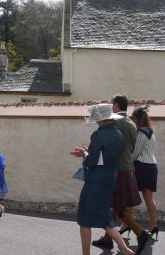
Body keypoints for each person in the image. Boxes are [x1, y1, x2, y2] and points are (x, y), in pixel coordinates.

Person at [70, 103, 135, 255]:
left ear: (100, 119)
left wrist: (85, 155)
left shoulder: (98, 134)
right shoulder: (118, 134)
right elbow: (105, 157)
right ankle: (125, 249)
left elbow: (92, 161)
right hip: (110, 179)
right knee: (104, 217)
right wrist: (89, 152)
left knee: (84, 219)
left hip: (95, 181)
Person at [92, 95, 151, 254]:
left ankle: (140, 233)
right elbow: (131, 148)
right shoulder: (132, 123)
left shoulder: (114, 122)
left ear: (116, 105)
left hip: (116, 168)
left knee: (114, 207)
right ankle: (107, 240)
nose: (111, 106)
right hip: (128, 167)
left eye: (112, 104)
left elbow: (108, 145)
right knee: (116, 207)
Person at [131, 105, 159, 239]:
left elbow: (136, 153)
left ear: (138, 119)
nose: (133, 121)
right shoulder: (151, 132)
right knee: (149, 199)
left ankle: (127, 226)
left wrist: (125, 161)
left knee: (131, 198)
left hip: (142, 166)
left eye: (133, 119)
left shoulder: (141, 132)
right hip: (152, 166)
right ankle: (153, 226)